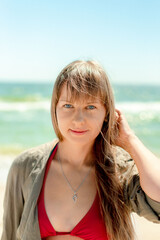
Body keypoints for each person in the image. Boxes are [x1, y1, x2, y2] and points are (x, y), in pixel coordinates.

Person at [1, 60, 160, 240]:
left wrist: (130, 140)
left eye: (90, 107)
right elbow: (9, 234)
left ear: (107, 113)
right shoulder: (25, 166)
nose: (78, 120)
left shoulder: (119, 169)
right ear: (55, 108)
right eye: (68, 106)